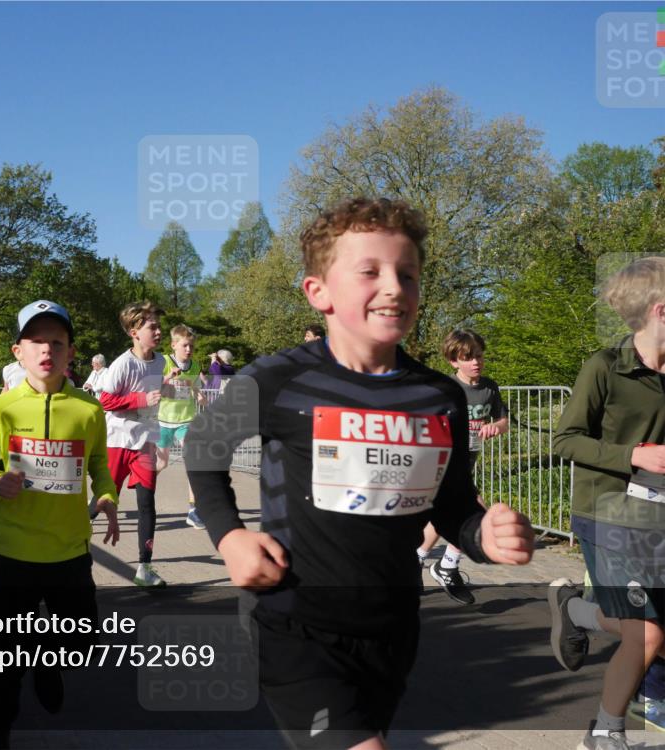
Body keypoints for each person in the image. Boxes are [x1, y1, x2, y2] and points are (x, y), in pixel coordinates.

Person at [185, 197, 534, 750]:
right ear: (317, 292)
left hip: (392, 626)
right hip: (293, 620)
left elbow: (452, 506)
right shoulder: (277, 379)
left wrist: (483, 536)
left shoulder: (439, 396)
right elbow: (203, 446)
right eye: (369, 271)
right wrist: (230, 537)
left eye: (408, 274)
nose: (394, 287)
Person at [0, 299, 119, 750]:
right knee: (1, 658)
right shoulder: (2, 408)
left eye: (57, 341)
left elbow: (98, 464)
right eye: (36, 341)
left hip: (69, 552)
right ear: (19, 351)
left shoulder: (88, 410)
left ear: (71, 351)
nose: (46, 350)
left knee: (82, 644)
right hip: (12, 552)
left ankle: (47, 657)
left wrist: (107, 494)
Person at [547, 256, 665, 748]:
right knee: (648, 633)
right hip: (608, 509)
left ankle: (574, 611)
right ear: (660, 310)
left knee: (649, 626)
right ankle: (604, 733)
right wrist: (633, 453)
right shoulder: (605, 367)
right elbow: (564, 440)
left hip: (656, 514)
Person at [417, 329, 508, 605]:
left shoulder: (489, 388)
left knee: (443, 516)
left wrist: (495, 426)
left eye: (479, 356)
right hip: (441, 462)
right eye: (468, 358)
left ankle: (418, 560)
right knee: (474, 514)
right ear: (454, 361)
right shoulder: (445, 388)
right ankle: (446, 566)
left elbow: (504, 421)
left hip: (467, 463)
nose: (475, 362)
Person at [99, 301, 167, 587]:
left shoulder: (161, 361)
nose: (159, 331)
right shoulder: (122, 364)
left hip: (145, 442)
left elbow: (154, 395)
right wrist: (140, 400)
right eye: (152, 326)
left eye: (158, 325)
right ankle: (69, 546)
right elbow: (105, 400)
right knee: (103, 500)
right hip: (118, 441)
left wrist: (168, 389)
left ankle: (144, 567)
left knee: (147, 504)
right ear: (134, 332)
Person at [157, 324, 207, 530]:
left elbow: (193, 386)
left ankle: (194, 510)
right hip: (162, 421)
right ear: (174, 345)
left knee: (194, 461)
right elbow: (151, 386)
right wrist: (167, 378)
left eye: (192, 346)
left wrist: (199, 395)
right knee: (160, 464)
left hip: (185, 421)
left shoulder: (195, 366)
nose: (189, 349)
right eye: (185, 345)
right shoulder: (164, 362)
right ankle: (142, 485)